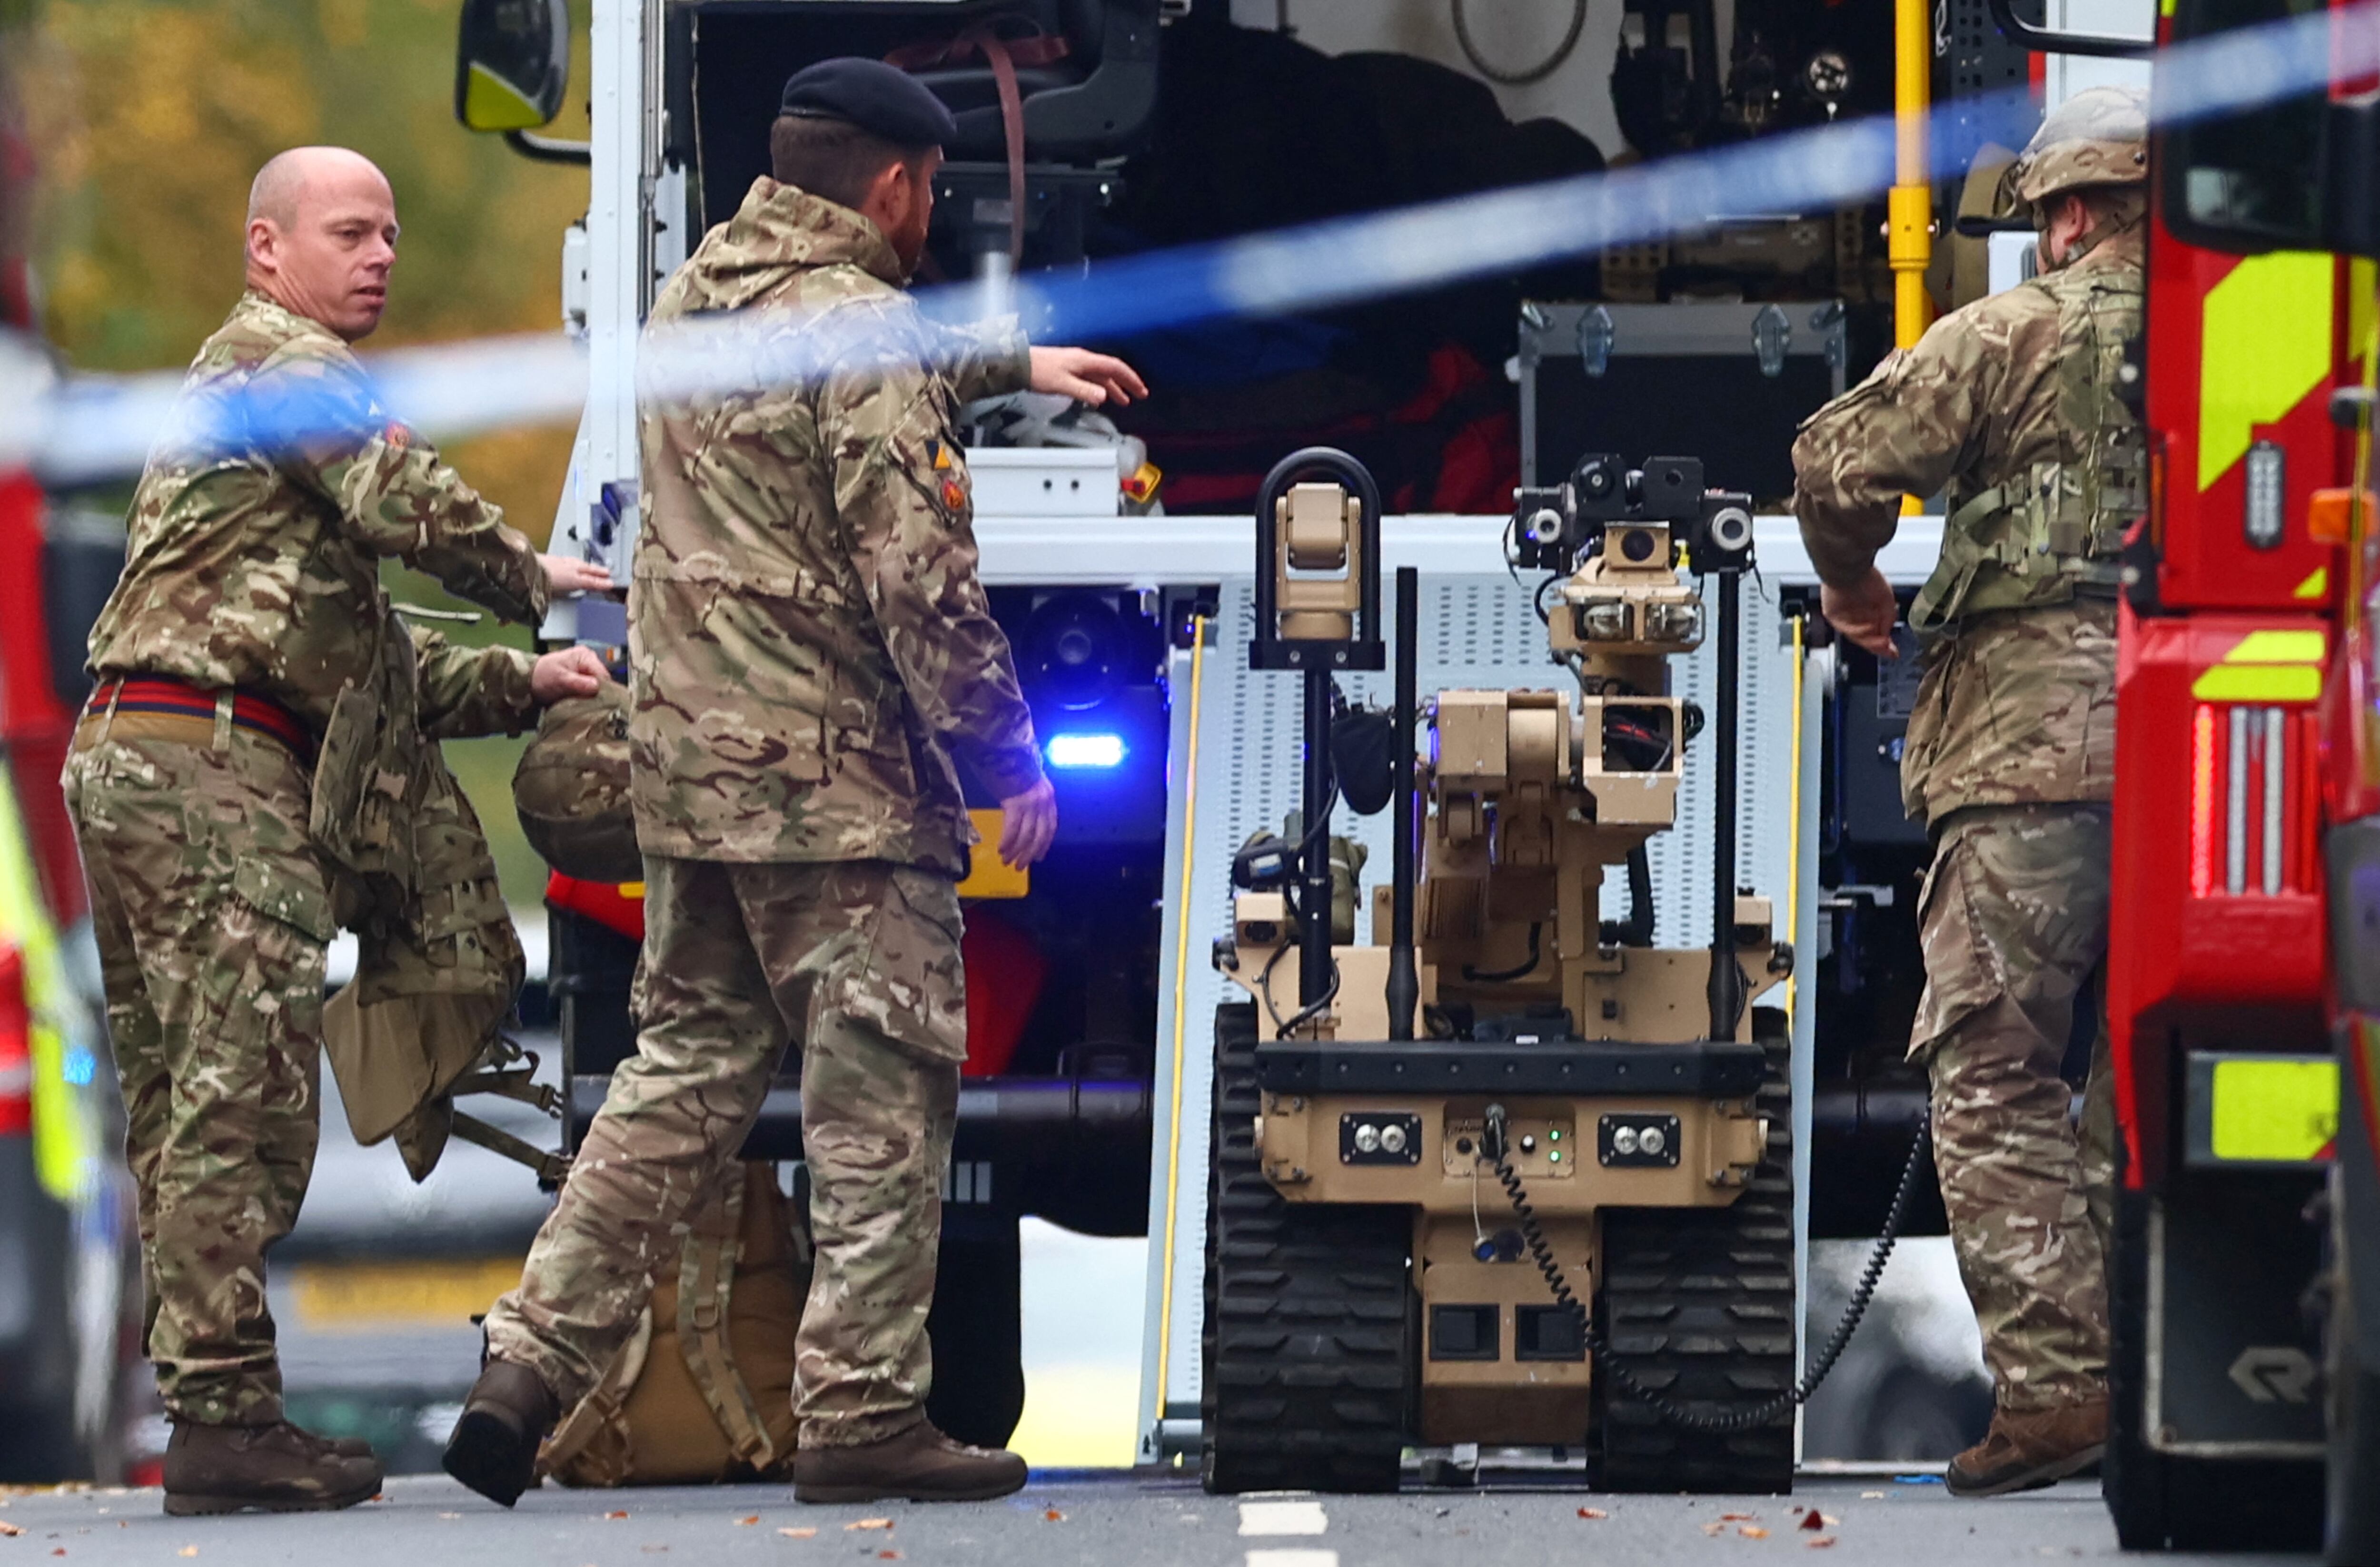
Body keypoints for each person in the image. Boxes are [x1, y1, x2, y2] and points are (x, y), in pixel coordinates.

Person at [444, 59, 1146, 1508]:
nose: (927, 219)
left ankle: (526, 1368)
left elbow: (838, 370)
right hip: (838, 797)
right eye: (928, 196)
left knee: (676, 1086)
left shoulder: (696, 303)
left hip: (692, 787)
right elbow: (921, 576)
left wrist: (1014, 363)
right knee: (880, 1092)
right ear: (893, 185)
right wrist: (1003, 758)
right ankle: (861, 1409)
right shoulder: (864, 326)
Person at [64, 146, 613, 1516]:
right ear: (267, 252)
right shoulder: (281, 366)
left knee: (194, 1103)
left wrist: (525, 680)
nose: (379, 256)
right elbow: (406, 502)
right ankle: (223, 1424)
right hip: (209, 772)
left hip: (162, 751)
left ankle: (219, 1408)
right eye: (349, 232)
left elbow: (377, 667)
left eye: (391, 234)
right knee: (233, 1105)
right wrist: (528, 579)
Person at [1791, 86, 2147, 1497]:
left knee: (1994, 1066)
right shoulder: (2257, 336)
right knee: (2151, 1078)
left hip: (2027, 753)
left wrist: (1851, 579)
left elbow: (1833, 458)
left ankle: (2062, 1395)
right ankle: (2162, 1375)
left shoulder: (2011, 329)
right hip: (2224, 756)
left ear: (2065, 213)